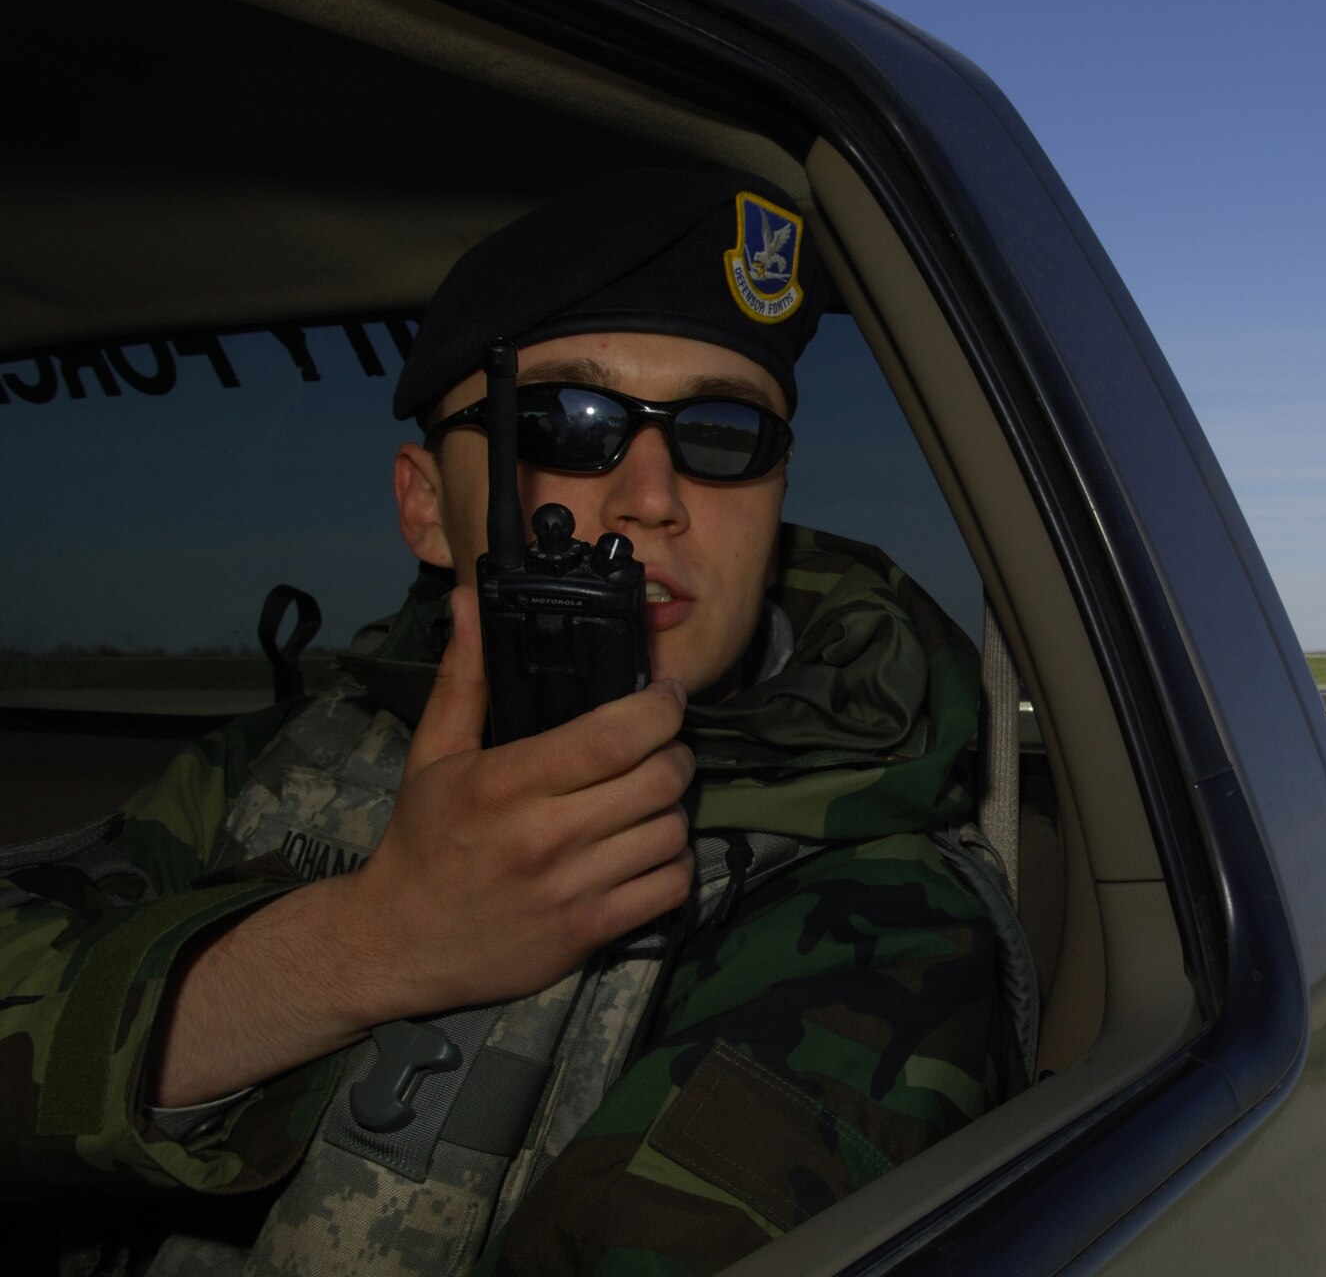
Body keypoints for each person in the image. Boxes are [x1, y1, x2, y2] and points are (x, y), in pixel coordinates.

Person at [0, 169, 1027, 1275]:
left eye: (723, 431)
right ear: (426, 506)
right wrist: (363, 944)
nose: (651, 494)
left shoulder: (879, 902)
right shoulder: (286, 754)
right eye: (565, 421)